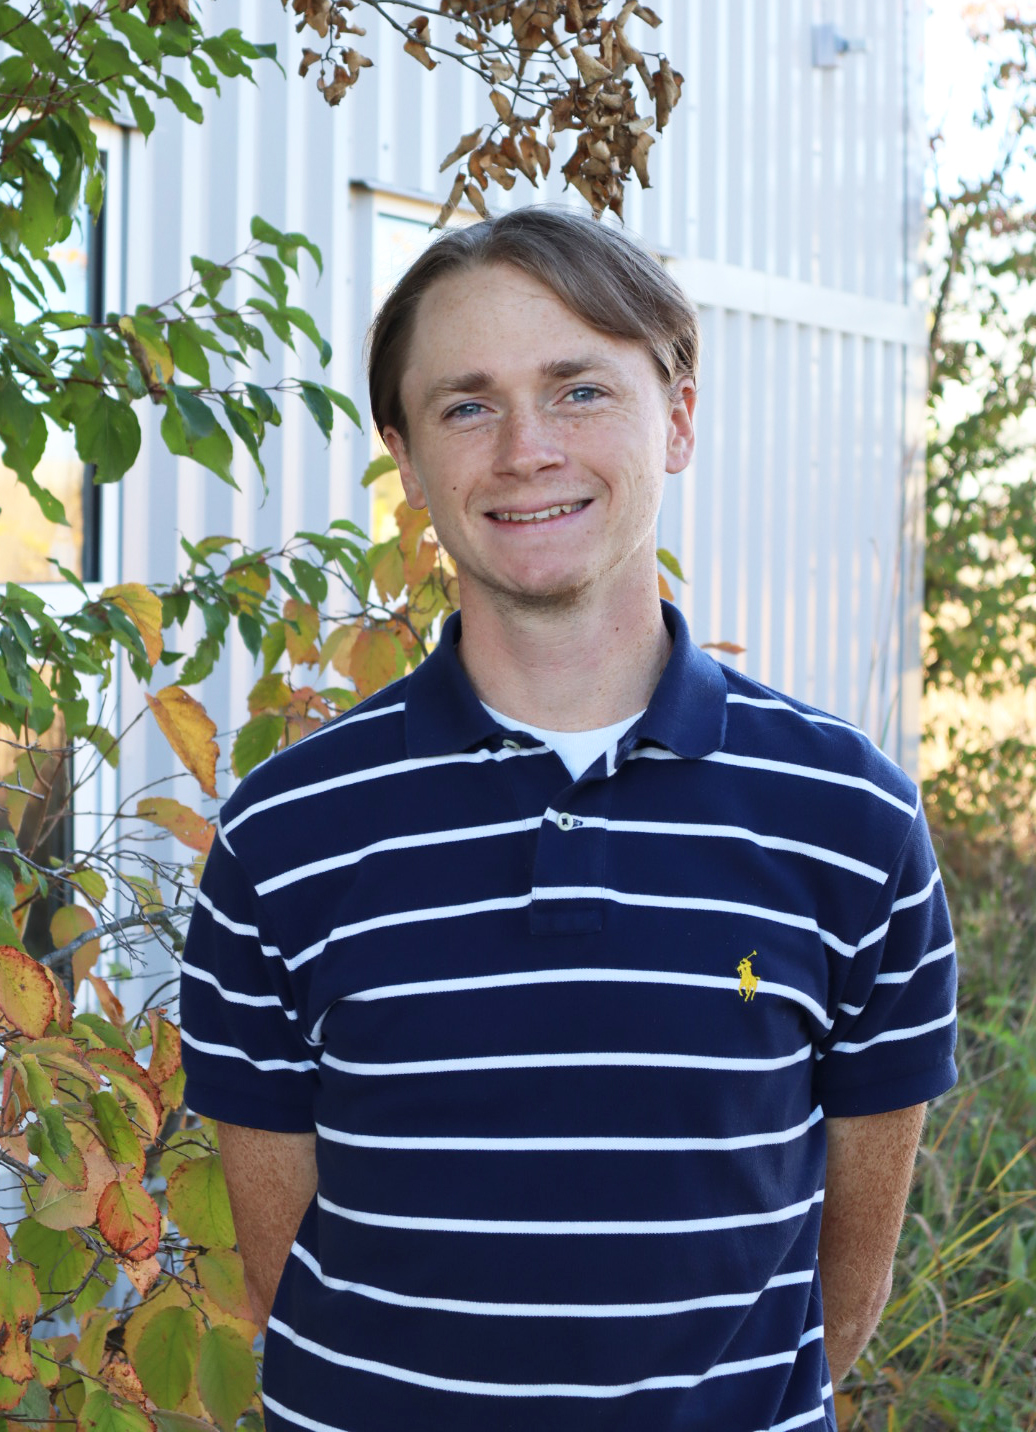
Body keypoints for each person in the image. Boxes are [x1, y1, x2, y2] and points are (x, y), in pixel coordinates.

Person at [180, 207, 957, 1432]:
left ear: (678, 418)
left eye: (579, 389)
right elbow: (287, 1269)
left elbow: (840, 1291)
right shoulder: (284, 836)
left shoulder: (849, 821)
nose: (525, 449)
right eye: (466, 405)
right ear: (406, 459)